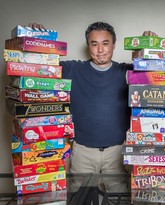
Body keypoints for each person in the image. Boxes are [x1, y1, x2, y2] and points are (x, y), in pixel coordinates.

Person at [28, 22, 157, 192]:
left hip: (117, 153)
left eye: (105, 43)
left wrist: (150, 47)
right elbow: (40, 67)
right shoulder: (74, 69)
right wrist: (35, 40)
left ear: (114, 45)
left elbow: (155, 78)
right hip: (83, 153)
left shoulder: (126, 72)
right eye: (94, 44)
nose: (100, 50)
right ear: (88, 46)